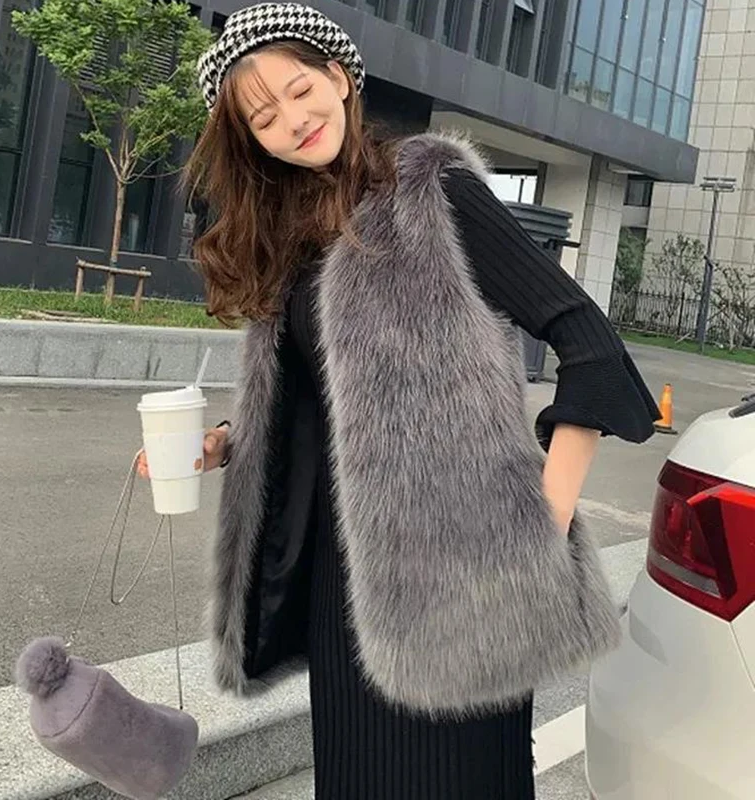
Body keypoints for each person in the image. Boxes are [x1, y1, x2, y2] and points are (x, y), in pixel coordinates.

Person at [139, 4, 660, 797]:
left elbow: (590, 345)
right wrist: (223, 441)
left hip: (469, 576)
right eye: (265, 119)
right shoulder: (297, 239)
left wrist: (537, 531)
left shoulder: (431, 191)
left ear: (339, 78)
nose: (293, 121)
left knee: (462, 782)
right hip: (345, 584)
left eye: (300, 90)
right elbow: (329, 406)